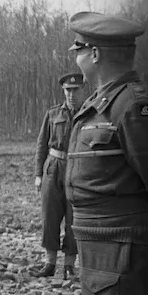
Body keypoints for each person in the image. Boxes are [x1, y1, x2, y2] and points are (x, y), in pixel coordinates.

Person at [65, 11, 148, 295]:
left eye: (78, 49)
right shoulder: (103, 102)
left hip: (122, 246)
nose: (75, 56)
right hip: (102, 246)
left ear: (95, 54)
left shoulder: (132, 105)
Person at [31, 72, 86, 279]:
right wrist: (38, 174)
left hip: (78, 169)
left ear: (83, 90)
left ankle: (70, 266)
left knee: (75, 218)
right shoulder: (53, 114)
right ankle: (50, 263)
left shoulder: (89, 114)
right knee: (49, 215)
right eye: (68, 91)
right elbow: (41, 145)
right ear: (63, 91)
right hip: (53, 168)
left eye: (76, 90)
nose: (71, 95)